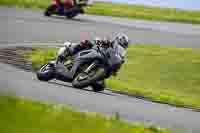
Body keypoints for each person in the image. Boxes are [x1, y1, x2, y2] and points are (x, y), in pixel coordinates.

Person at [57, 34, 129, 80]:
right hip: (95, 51)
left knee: (99, 87)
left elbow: (116, 66)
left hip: (103, 63)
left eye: (122, 47)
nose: (120, 48)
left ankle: (89, 77)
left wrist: (115, 70)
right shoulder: (110, 42)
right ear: (117, 40)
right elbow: (100, 40)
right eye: (120, 45)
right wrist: (101, 41)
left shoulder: (120, 56)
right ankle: (67, 52)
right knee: (85, 42)